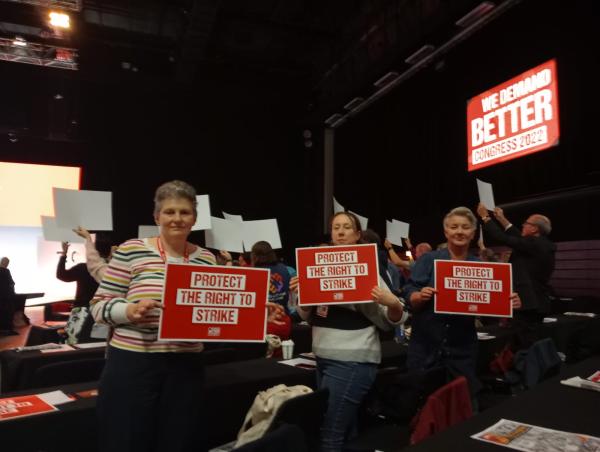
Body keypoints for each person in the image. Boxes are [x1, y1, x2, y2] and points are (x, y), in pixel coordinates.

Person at [90, 180, 217, 452]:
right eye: (170, 211)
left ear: (194, 218)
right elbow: (98, 306)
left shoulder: (206, 259)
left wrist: (253, 313)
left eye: (184, 212)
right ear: (157, 216)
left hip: (186, 364)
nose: (177, 218)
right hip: (133, 362)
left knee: (177, 439)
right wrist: (130, 310)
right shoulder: (131, 250)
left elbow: (214, 311)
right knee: (125, 438)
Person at [290, 211, 407, 451]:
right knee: (346, 431)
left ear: (357, 235)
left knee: (330, 435)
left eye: (346, 227)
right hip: (322, 358)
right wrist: (302, 291)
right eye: (336, 228)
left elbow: (390, 319)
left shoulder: (368, 269)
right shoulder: (318, 266)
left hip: (351, 361)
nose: (340, 232)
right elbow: (305, 314)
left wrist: (393, 302)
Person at [404, 207, 521, 399]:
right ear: (446, 232)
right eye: (454, 227)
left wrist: (509, 302)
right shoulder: (428, 260)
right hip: (426, 348)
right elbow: (409, 290)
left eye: (465, 227)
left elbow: (490, 309)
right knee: (424, 407)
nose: (459, 231)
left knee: (462, 406)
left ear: (473, 234)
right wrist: (417, 296)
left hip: (462, 349)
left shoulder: (482, 267)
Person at [477, 204, 556, 344]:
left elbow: (502, 238)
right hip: (538, 301)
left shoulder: (533, 244)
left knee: (525, 342)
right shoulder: (542, 244)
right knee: (532, 339)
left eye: (526, 223)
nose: (523, 225)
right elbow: (518, 237)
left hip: (527, 303)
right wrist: (502, 219)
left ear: (534, 229)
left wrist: (485, 217)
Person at [57, 241, 101, 343]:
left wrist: (64, 255)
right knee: (96, 344)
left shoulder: (83, 268)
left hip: (81, 310)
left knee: (73, 342)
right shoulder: (110, 269)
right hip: (101, 311)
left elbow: (62, 275)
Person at [0, 257, 18, 336]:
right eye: (7, 262)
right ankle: (8, 330)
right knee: (9, 312)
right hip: (6, 297)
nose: (7, 264)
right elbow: (11, 283)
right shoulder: (6, 271)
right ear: (4, 262)